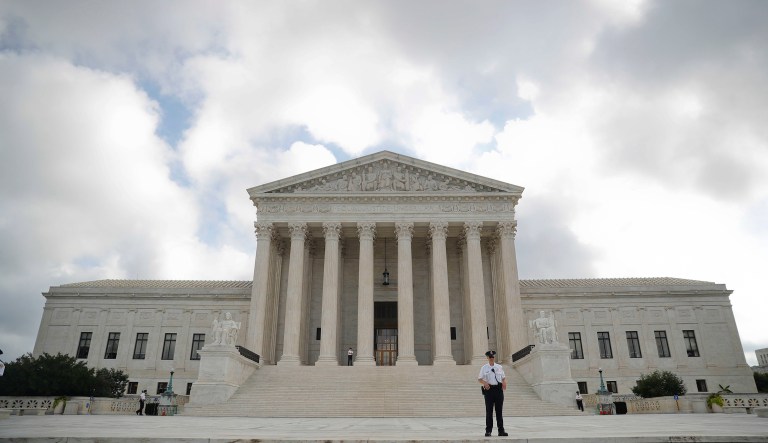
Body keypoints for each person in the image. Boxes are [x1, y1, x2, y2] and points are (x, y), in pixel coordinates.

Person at [478, 350, 508, 437]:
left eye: (493, 357)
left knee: (499, 411)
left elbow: (503, 377)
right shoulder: (484, 368)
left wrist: (504, 382)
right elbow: (479, 379)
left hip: (498, 390)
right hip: (489, 391)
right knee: (489, 411)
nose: (491, 358)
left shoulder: (499, 367)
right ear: (487, 358)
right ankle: (488, 431)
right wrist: (485, 383)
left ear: (494, 357)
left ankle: (501, 431)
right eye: (490, 357)